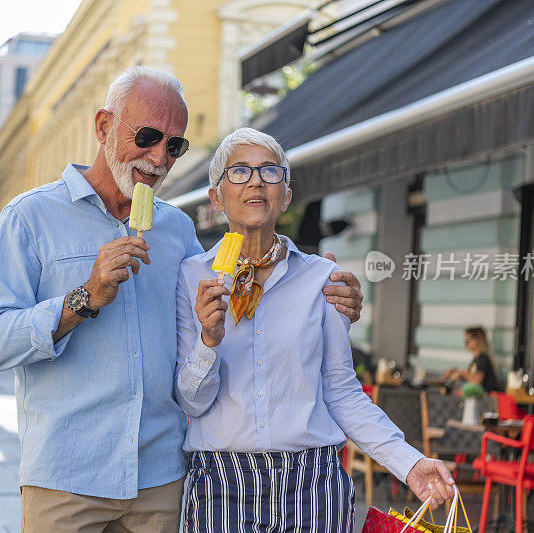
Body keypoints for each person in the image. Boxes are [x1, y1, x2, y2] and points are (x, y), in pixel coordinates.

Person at [0, 66, 364, 532]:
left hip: (162, 478)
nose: (159, 157)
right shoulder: (29, 217)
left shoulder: (178, 229)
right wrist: (85, 297)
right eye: (148, 137)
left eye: (174, 145)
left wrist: (325, 294)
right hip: (67, 475)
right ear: (103, 127)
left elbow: (232, 320)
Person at [175, 128, 455, 532]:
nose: (256, 180)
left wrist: (408, 463)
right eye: (239, 172)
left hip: (314, 484)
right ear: (216, 197)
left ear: (286, 195)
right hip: (223, 483)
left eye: (270, 172)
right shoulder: (191, 278)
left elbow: (341, 390)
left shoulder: (321, 278)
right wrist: (208, 341)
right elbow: (192, 402)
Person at [443, 326, 500, 394]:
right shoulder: (477, 358)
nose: (466, 345)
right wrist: (456, 373)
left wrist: (463, 373)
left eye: (467, 341)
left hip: (486, 397)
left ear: (477, 340)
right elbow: (471, 376)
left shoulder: (482, 357)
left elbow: (477, 381)